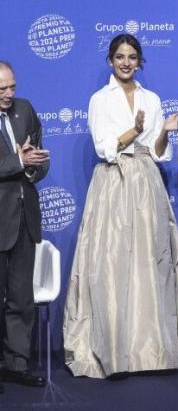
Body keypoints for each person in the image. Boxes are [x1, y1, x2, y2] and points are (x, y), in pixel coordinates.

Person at [62, 34, 178, 379]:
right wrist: (131, 131)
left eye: (132, 57)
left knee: (150, 260)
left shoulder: (151, 98)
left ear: (140, 62)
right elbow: (104, 147)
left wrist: (166, 131)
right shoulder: (99, 99)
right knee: (111, 262)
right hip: (112, 181)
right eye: (120, 56)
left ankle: (151, 350)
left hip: (146, 181)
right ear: (111, 60)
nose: (126, 62)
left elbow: (157, 151)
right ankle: (112, 350)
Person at [0, 61, 50, 391]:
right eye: (2, 89)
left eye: (12, 87)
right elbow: (17, 159)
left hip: (24, 217)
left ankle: (16, 363)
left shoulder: (25, 110)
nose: (9, 94)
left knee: (21, 297)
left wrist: (31, 166)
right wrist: (18, 161)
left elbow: (40, 160)